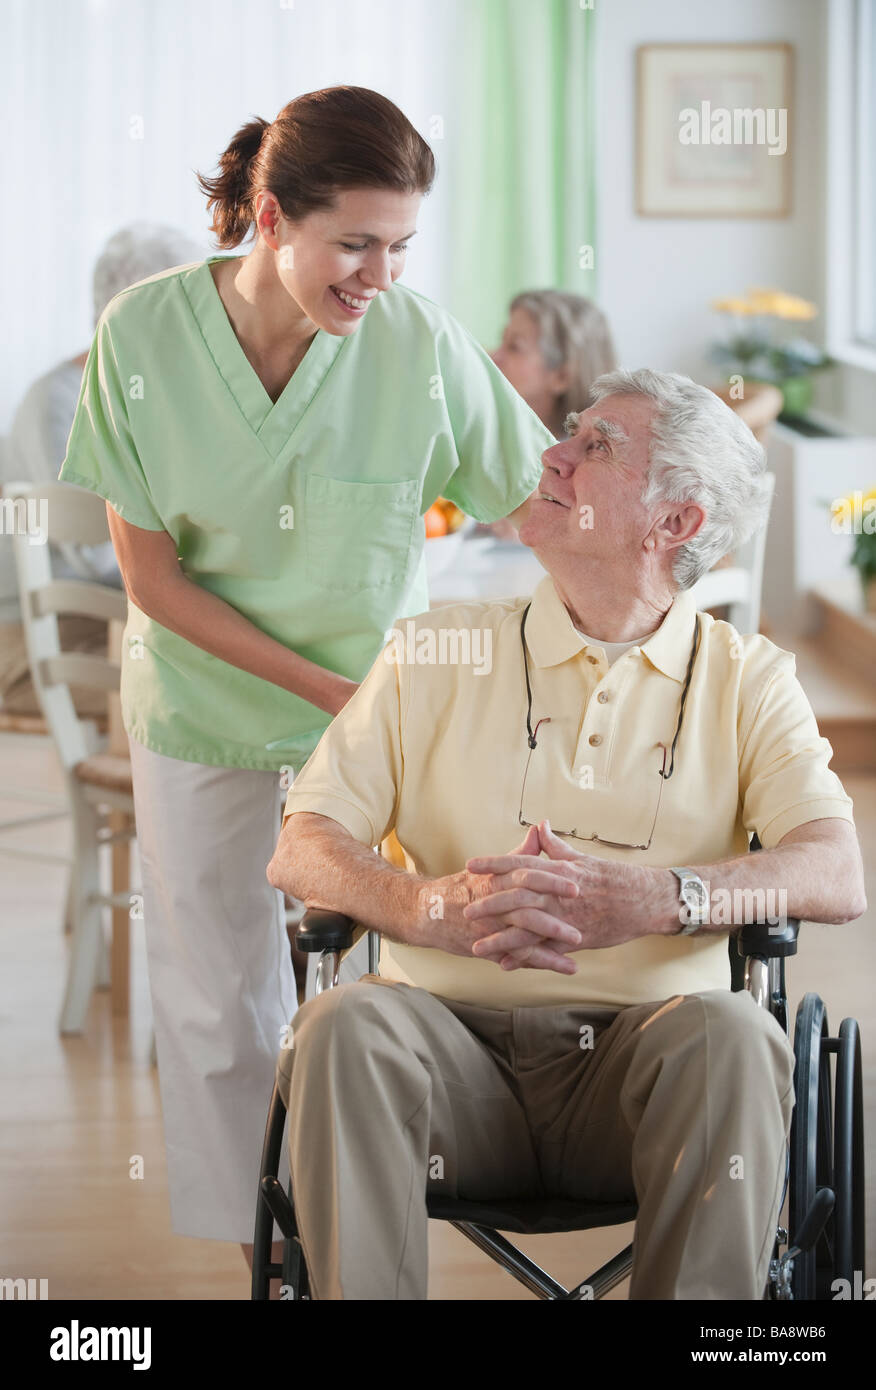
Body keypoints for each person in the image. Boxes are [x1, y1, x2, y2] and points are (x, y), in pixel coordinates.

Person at [57, 86, 554, 1266]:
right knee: (219, 994)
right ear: (271, 219)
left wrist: (649, 517)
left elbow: (536, 501)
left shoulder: (418, 343)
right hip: (203, 703)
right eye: (356, 243)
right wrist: (340, 696)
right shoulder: (142, 336)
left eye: (401, 246)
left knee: (388, 991)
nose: (380, 275)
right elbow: (157, 583)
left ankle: (366, 1233)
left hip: (375, 725)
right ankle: (262, 1259)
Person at [268, 368, 866, 1300]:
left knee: (739, 1037)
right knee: (342, 1023)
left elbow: (836, 871)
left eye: (599, 448)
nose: (554, 454)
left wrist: (663, 899)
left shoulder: (748, 679)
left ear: (677, 523)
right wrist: (424, 908)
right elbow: (301, 844)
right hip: (442, 1065)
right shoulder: (432, 650)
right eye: (572, 434)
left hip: (645, 1076)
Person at [0, 224, 202, 718]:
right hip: (36, 637)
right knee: (195, 704)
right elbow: (96, 557)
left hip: (123, 626)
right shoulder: (60, 400)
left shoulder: (156, 398)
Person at [491, 289, 617, 440]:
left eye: (514, 346)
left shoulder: (574, 461)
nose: (493, 356)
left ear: (562, 377)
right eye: (503, 340)